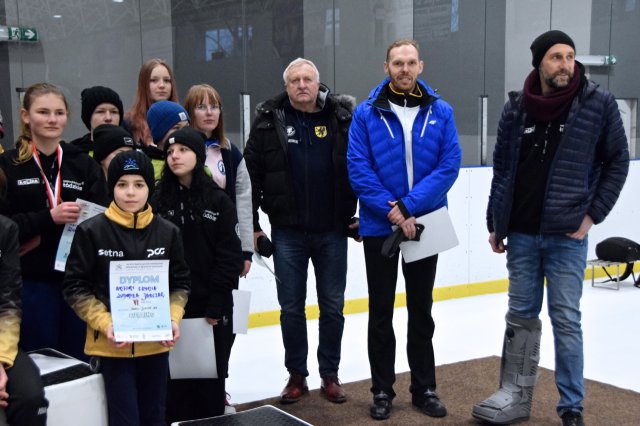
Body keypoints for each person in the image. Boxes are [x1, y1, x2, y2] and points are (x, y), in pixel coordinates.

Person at [472, 30, 629, 426]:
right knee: (520, 319)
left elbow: (618, 162)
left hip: (566, 236)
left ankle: (571, 407)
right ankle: (514, 398)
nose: (565, 64)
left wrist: (592, 215)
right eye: (556, 57)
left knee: (565, 320)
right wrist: (496, 222)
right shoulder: (517, 107)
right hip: (522, 234)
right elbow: (503, 169)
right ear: (539, 62)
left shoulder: (598, 104)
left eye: (570, 56)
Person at [347, 39, 461, 420]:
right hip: (382, 226)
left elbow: (449, 165)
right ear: (386, 67)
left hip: (426, 223)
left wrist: (410, 207)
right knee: (380, 311)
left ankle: (424, 388)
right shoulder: (365, 114)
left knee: (421, 310)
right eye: (398, 63)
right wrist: (394, 212)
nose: (405, 69)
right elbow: (359, 170)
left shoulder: (440, 111)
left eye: (411, 62)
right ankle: (382, 390)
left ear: (421, 66)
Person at [244, 57, 358, 404]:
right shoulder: (267, 122)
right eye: (295, 80)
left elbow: (363, 168)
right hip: (288, 233)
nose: (302, 85)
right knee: (291, 308)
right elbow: (248, 180)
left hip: (333, 231)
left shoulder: (341, 119)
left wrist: (362, 216)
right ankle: (296, 375)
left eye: (308, 79)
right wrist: (254, 229)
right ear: (286, 86)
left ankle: (330, 375)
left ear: (318, 83)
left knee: (332, 307)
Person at [62, 150, 190, 426]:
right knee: (124, 419)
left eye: (139, 184)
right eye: (122, 184)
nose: (130, 192)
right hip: (112, 348)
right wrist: (106, 324)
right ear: (112, 187)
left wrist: (172, 318)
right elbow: (74, 287)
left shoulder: (168, 232)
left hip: (155, 347)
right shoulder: (91, 231)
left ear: (149, 187)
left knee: (154, 416)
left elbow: (180, 283)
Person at [0, 82, 108, 362]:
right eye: (43, 112)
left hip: (77, 283)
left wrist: (41, 235)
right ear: (26, 116)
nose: (52, 119)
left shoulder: (84, 165)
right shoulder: (8, 166)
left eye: (59, 113)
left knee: (79, 365)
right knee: (41, 364)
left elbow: (102, 223)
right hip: (32, 283)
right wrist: (47, 218)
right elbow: (4, 227)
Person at [153, 127, 243, 422]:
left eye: (183, 150)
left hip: (209, 309)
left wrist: (217, 302)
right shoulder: (157, 201)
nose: (175, 156)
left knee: (208, 384)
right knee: (173, 387)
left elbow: (228, 257)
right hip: (169, 307)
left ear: (199, 155)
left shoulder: (218, 201)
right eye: (170, 152)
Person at [184, 83, 254, 278]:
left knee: (223, 304)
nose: (209, 113)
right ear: (190, 112)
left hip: (224, 242)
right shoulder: (180, 150)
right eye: (201, 107)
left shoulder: (230, 151)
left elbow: (243, 200)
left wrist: (246, 250)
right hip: (191, 243)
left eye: (214, 107)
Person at [0, 169, 49, 426]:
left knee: (30, 397)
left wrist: (1, 359)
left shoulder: (5, 229)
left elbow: (9, 301)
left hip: (1, 341)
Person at [124, 58, 179, 148]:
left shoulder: (182, 121)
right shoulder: (128, 124)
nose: (162, 85)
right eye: (154, 80)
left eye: (166, 80)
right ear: (143, 85)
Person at [70, 86, 125, 154]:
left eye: (114, 112)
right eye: (100, 112)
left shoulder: (132, 152)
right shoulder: (72, 155)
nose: (108, 118)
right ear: (88, 118)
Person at [145, 100, 190, 179]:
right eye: (176, 128)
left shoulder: (194, 160)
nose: (183, 133)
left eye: (186, 127)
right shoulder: (146, 165)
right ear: (159, 132)